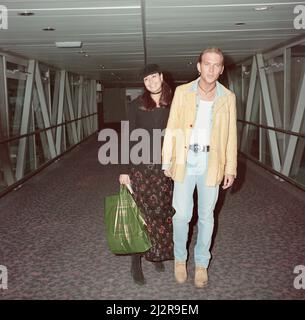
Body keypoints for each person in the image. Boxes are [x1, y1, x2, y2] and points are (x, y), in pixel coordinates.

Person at [162, 47, 237, 288]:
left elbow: (231, 135)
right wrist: (167, 160)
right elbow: (172, 126)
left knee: (206, 216)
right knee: (182, 215)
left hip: (211, 163)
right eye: (207, 64)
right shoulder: (183, 92)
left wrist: (231, 168)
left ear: (222, 69)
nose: (211, 69)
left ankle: (202, 263)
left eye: (216, 65)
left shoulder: (228, 97)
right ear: (198, 66)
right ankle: (180, 260)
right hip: (185, 161)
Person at [119, 64, 175, 285]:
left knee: (161, 212)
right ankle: (136, 262)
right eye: (146, 80)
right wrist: (124, 170)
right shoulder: (136, 105)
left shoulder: (174, 103)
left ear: (161, 77)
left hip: (165, 169)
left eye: (154, 77)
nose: (151, 82)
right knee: (141, 214)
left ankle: (156, 254)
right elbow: (126, 136)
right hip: (141, 168)